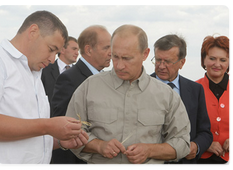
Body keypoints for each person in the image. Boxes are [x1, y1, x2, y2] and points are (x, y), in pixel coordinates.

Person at [65, 24, 191, 165]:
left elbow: (183, 143)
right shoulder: (89, 87)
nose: (119, 65)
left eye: (126, 58)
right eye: (115, 57)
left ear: (145, 54)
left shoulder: (166, 95)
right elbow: (69, 135)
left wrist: (149, 150)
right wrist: (99, 146)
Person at [0, 10, 88, 165]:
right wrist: (48, 126)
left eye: (57, 53)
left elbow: (29, 135)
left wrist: (60, 141)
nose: (52, 60)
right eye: (51, 49)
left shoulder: (34, 72)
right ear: (33, 32)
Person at [50, 25, 111, 164]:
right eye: (106, 48)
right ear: (89, 50)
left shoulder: (106, 79)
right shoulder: (70, 78)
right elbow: (62, 126)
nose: (111, 53)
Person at [150, 34, 213, 164]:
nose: (161, 66)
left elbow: (205, 132)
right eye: (157, 60)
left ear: (182, 62)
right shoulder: (141, 87)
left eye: (167, 61)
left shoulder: (196, 90)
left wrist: (196, 146)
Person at [196, 35, 230, 165]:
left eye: (223, 60)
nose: (217, 64)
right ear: (203, 60)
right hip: (200, 161)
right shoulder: (192, 89)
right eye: (212, 58)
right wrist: (203, 143)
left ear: (229, 62)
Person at [41, 36, 79, 116]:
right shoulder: (44, 70)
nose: (77, 53)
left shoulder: (79, 73)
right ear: (62, 50)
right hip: (49, 122)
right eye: (74, 49)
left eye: (78, 50)